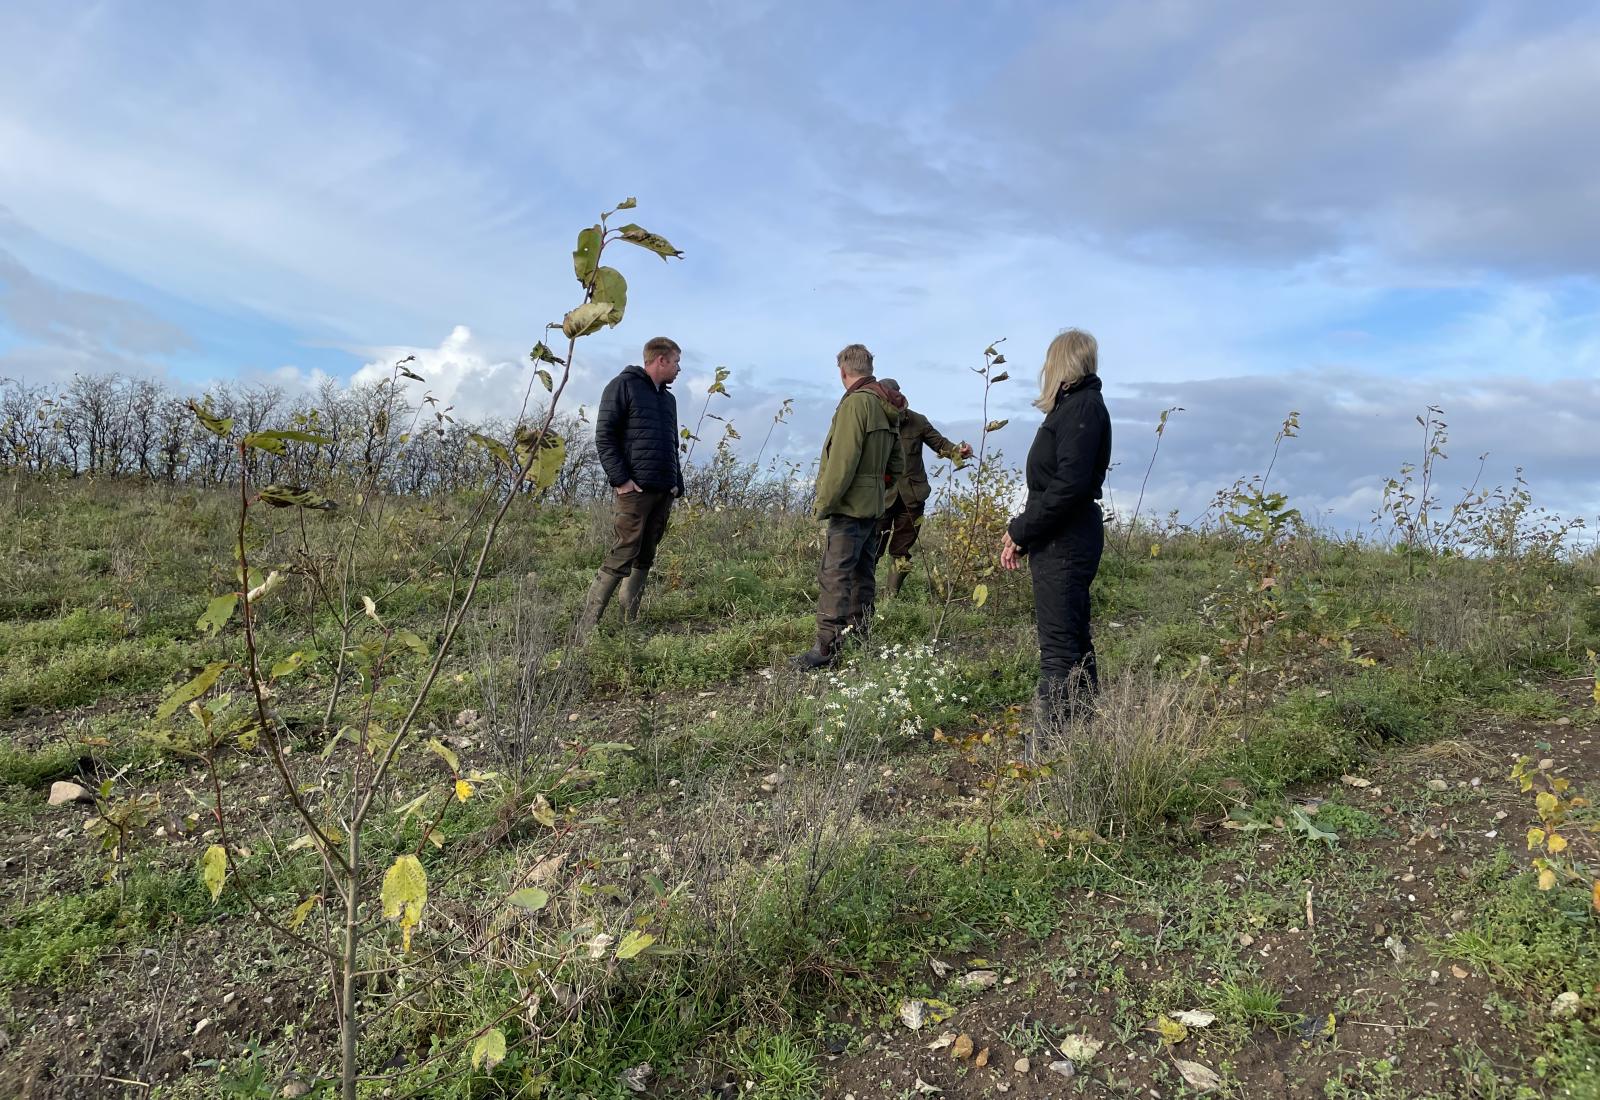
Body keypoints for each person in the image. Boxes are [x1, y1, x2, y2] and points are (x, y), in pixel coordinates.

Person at [1000, 329, 1112, 732]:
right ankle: (1082, 737)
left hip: (1065, 540)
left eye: (1050, 360)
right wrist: (1027, 533)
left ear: (1062, 364)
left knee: (1060, 650)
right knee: (1073, 640)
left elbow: (1069, 486)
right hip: (1061, 537)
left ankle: (1052, 747)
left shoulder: (1083, 408)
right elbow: (1060, 487)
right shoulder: (1074, 407)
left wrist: (1020, 530)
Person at [793, 344, 907, 669]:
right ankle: (860, 637)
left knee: (835, 575)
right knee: (863, 574)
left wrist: (823, 504)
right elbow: (897, 463)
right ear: (869, 368)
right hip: (873, 506)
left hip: (848, 507)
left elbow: (841, 463)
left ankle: (825, 649)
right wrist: (876, 489)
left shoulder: (856, 404)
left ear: (843, 371)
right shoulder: (887, 404)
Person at [577, 336, 685, 637]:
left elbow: (671, 443)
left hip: (663, 490)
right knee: (624, 550)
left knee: (646, 554)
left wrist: (677, 482)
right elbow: (605, 436)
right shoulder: (622, 386)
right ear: (660, 360)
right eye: (676, 361)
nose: (679, 368)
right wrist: (621, 480)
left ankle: (629, 626)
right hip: (634, 491)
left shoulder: (668, 399)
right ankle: (585, 631)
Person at [874, 379, 971, 598]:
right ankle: (863, 595)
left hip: (912, 496)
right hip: (880, 495)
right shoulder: (873, 418)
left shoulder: (918, 421)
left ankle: (891, 599)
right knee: (872, 547)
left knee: (901, 551)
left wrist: (959, 452)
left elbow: (940, 443)